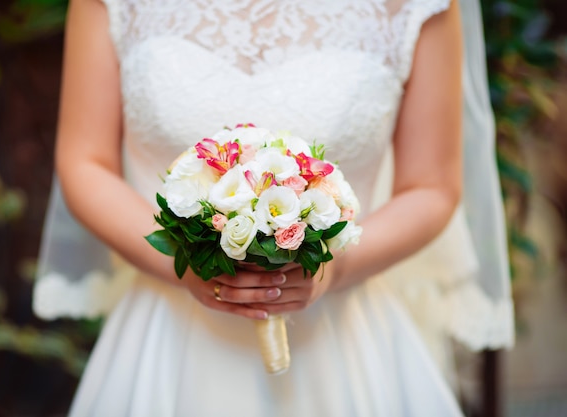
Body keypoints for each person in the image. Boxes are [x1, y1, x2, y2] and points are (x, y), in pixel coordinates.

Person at [33, 0, 514, 415]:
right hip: (170, 329)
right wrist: (183, 263)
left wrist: (334, 269)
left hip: (343, 338)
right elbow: (84, 161)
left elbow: (431, 186)